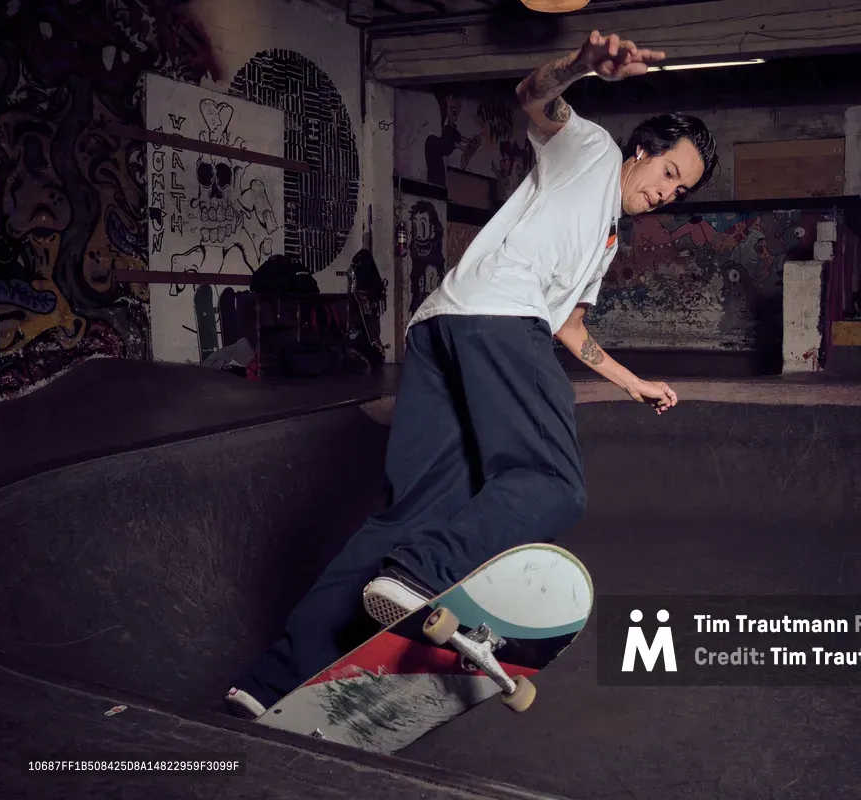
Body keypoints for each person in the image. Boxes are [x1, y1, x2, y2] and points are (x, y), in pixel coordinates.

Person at [223, 30, 719, 719]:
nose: (668, 194)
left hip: (442, 327)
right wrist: (580, 65)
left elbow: (571, 329)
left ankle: (272, 679)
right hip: (497, 321)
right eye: (669, 174)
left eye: (681, 191)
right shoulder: (592, 151)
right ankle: (422, 572)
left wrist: (633, 382)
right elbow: (534, 97)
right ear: (643, 150)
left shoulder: (604, 235)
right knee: (551, 484)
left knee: (410, 512)